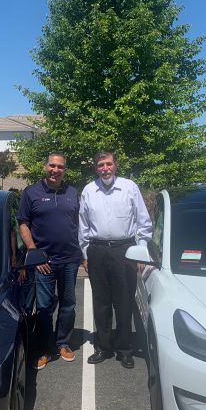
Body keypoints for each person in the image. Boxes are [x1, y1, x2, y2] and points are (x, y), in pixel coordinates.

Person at [79, 150, 152, 369]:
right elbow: (83, 225)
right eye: (100, 165)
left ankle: (124, 349)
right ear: (96, 168)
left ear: (115, 165)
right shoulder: (89, 190)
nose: (105, 169)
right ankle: (103, 347)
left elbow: (143, 221)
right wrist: (85, 254)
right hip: (97, 250)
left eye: (108, 164)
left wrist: (142, 249)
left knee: (124, 302)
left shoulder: (130, 187)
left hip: (125, 251)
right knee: (101, 302)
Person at [17, 152, 82, 370]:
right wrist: (34, 253)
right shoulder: (31, 192)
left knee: (68, 304)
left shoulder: (72, 192)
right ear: (45, 167)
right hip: (44, 262)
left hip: (69, 260)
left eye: (60, 166)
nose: (55, 170)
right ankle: (44, 349)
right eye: (52, 165)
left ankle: (62, 343)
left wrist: (82, 254)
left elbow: (78, 224)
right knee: (44, 307)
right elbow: (23, 224)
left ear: (65, 169)